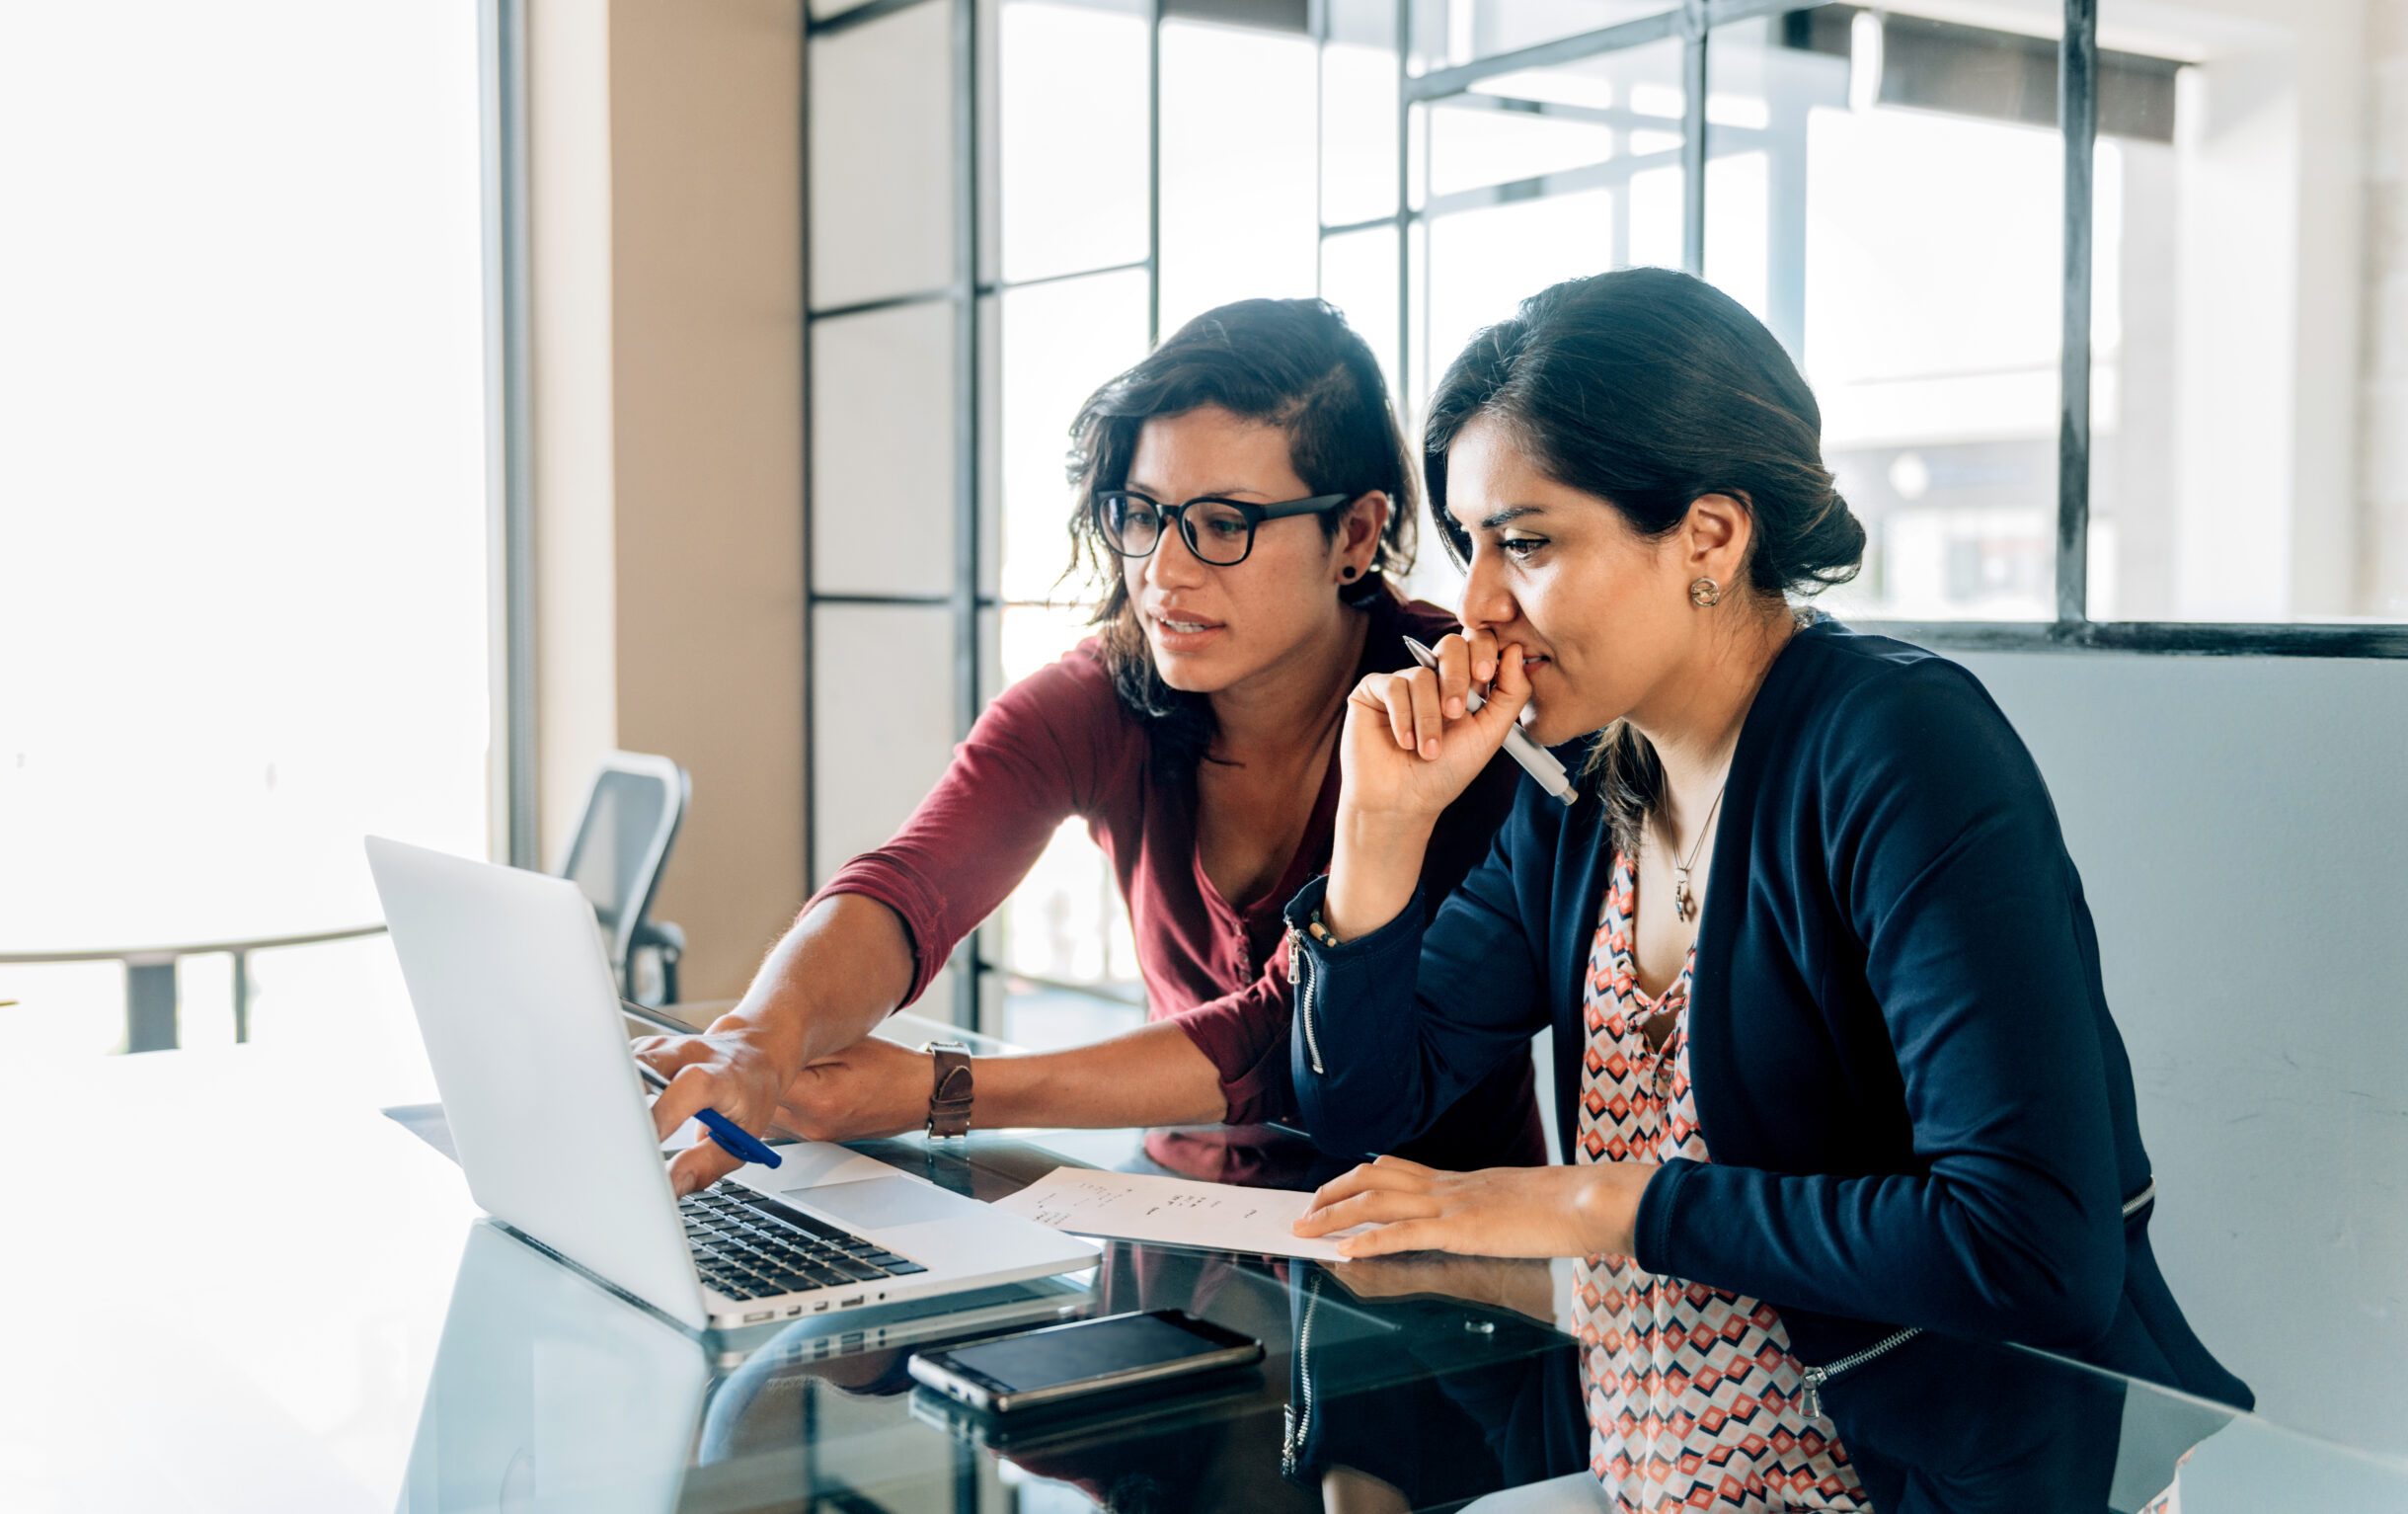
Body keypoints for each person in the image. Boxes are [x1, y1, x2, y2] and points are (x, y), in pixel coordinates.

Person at [1282, 270, 2249, 1511]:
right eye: (1470, 543)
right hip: (1645, 1478)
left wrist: (1595, 1201)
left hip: (1910, 1488)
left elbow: (2028, 1244)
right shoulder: (1585, 783)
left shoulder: (1898, 748)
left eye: (1525, 542)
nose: (1474, 605)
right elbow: (1364, 1099)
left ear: (1709, 537)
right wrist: (1378, 832)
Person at [640, 297, 1542, 1191]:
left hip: (1432, 1260)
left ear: (1354, 534)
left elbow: (1281, 1039)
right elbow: (913, 881)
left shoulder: (1454, 713)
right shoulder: (1110, 689)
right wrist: (762, 1035)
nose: (1163, 571)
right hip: (1175, 1212)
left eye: (1224, 524)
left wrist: (943, 1089)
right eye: (1142, 514)